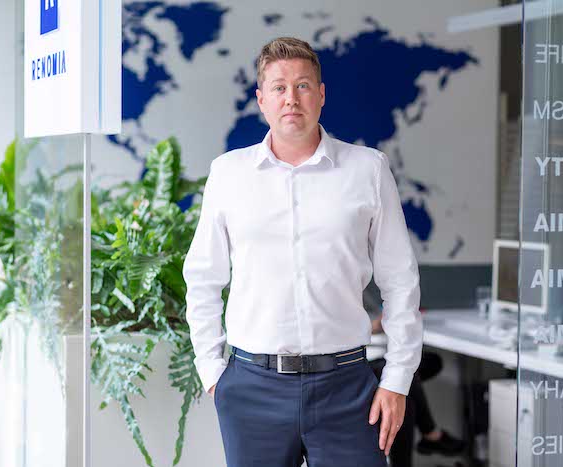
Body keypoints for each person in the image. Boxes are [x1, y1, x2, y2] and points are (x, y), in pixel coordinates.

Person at [183, 37, 423, 467]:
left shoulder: (367, 169)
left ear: (321, 94)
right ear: (261, 99)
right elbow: (203, 278)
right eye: (278, 87)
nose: (291, 98)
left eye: (303, 86)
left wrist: (398, 379)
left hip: (348, 388)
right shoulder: (228, 174)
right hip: (251, 388)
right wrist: (213, 373)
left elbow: (400, 280)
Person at [366, 310, 466, 467]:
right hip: (348, 369)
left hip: (369, 358)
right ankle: (431, 434)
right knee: (402, 384)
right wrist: (370, 328)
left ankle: (430, 435)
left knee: (430, 362)